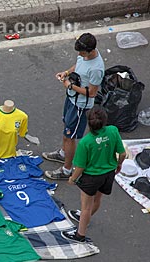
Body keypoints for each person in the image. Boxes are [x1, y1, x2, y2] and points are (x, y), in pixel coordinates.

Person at [43, 33, 105, 180]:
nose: (79, 54)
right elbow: (78, 64)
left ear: (90, 50)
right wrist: (66, 72)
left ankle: (67, 169)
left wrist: (70, 85)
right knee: (66, 129)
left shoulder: (96, 69)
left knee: (69, 136)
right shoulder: (85, 55)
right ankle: (63, 154)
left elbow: (91, 93)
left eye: (82, 52)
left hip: (81, 106)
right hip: (71, 100)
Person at [64, 108, 126, 242]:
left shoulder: (86, 142)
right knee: (97, 200)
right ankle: (85, 220)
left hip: (91, 177)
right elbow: (122, 154)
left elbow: (80, 166)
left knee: (85, 207)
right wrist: (118, 164)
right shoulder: (113, 131)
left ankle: (80, 234)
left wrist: (72, 178)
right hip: (108, 173)